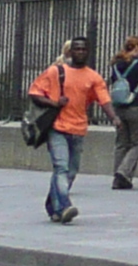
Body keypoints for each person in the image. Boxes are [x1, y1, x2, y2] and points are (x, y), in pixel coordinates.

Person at [26, 36, 112, 225]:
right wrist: (54, 103)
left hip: (78, 129)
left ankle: (53, 206)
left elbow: (103, 99)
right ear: (70, 52)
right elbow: (34, 92)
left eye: (83, 49)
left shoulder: (93, 77)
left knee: (70, 171)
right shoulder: (55, 72)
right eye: (77, 49)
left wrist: (115, 118)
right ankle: (64, 205)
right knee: (61, 167)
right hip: (57, 128)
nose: (80, 52)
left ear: (88, 52)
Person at [105, 35, 138, 192]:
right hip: (135, 106)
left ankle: (118, 178)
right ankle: (123, 173)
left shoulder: (115, 64)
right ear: (137, 48)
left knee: (121, 143)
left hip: (118, 107)